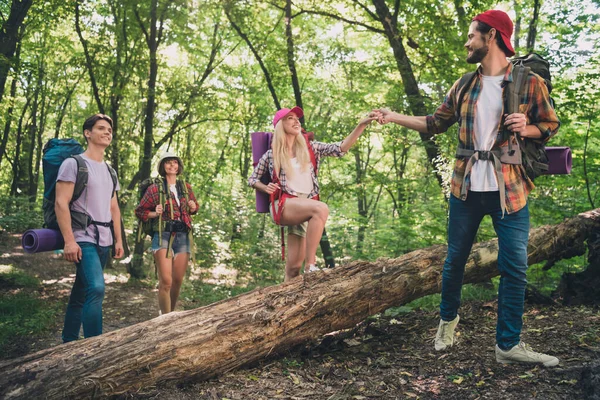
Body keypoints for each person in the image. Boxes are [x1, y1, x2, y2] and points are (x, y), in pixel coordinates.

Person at [376, 9, 560, 366]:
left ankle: (507, 345)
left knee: (515, 267)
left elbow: (549, 125)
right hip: (466, 189)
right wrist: (392, 116)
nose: (467, 41)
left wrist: (527, 127)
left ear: (491, 37)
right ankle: (447, 322)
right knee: (455, 261)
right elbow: (434, 123)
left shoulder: (528, 82)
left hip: (510, 189)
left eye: (472, 35)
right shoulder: (463, 84)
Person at [249, 106, 379, 281]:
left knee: (293, 269)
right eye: (290, 118)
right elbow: (252, 179)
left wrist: (362, 125)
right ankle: (311, 266)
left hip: (306, 206)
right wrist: (265, 188)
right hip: (283, 205)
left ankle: (285, 303)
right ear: (280, 125)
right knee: (321, 209)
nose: (296, 121)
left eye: (297, 118)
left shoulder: (311, 148)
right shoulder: (271, 155)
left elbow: (340, 148)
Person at [55, 114, 124, 342]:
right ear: (88, 133)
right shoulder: (73, 164)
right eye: (101, 128)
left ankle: (68, 341)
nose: (107, 133)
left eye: (109, 130)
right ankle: (96, 347)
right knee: (96, 288)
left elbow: (113, 207)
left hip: (104, 239)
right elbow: (61, 202)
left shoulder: (110, 171)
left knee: (82, 290)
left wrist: (119, 240)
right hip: (82, 237)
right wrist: (69, 240)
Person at [135, 152, 198, 315]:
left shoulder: (185, 187)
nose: (172, 165)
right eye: (168, 163)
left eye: (175, 163)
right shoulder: (155, 188)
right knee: (166, 281)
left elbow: (194, 208)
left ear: (179, 166)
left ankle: (171, 315)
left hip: (183, 235)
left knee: (177, 280)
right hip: (163, 234)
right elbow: (140, 211)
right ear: (163, 166)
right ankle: (165, 318)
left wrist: (193, 207)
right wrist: (155, 213)